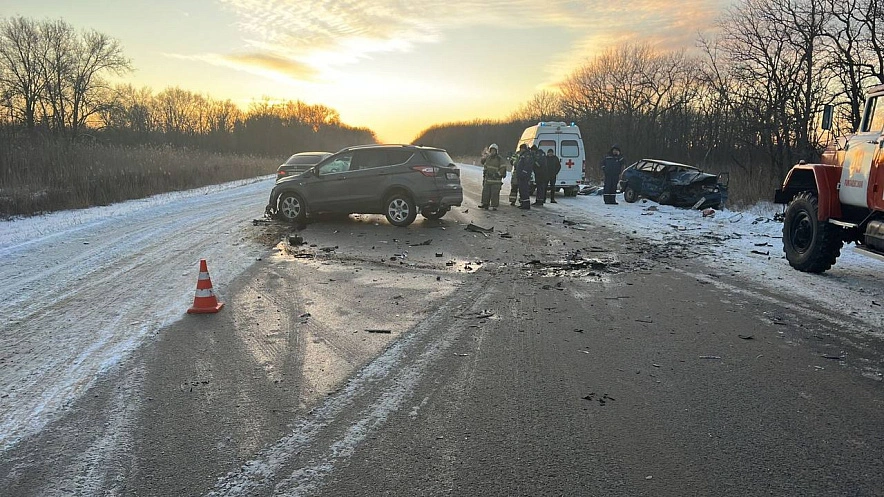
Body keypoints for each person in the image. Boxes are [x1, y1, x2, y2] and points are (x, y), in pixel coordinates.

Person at [478, 143, 508, 210]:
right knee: (486, 192)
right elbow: (485, 165)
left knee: (494, 194)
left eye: (494, 151)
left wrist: (497, 174)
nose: (492, 152)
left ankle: (494, 206)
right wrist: (485, 173)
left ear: (496, 151)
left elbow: (503, 168)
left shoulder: (500, 159)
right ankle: (485, 204)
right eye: (491, 151)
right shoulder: (488, 158)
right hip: (488, 180)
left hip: (496, 180)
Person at [515, 143, 534, 209]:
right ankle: (523, 203)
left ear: (524, 149)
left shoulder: (527, 155)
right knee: (521, 190)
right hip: (521, 176)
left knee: (524, 190)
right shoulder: (522, 155)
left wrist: (524, 173)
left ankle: (526, 204)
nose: (521, 150)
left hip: (524, 176)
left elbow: (528, 165)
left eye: (522, 149)